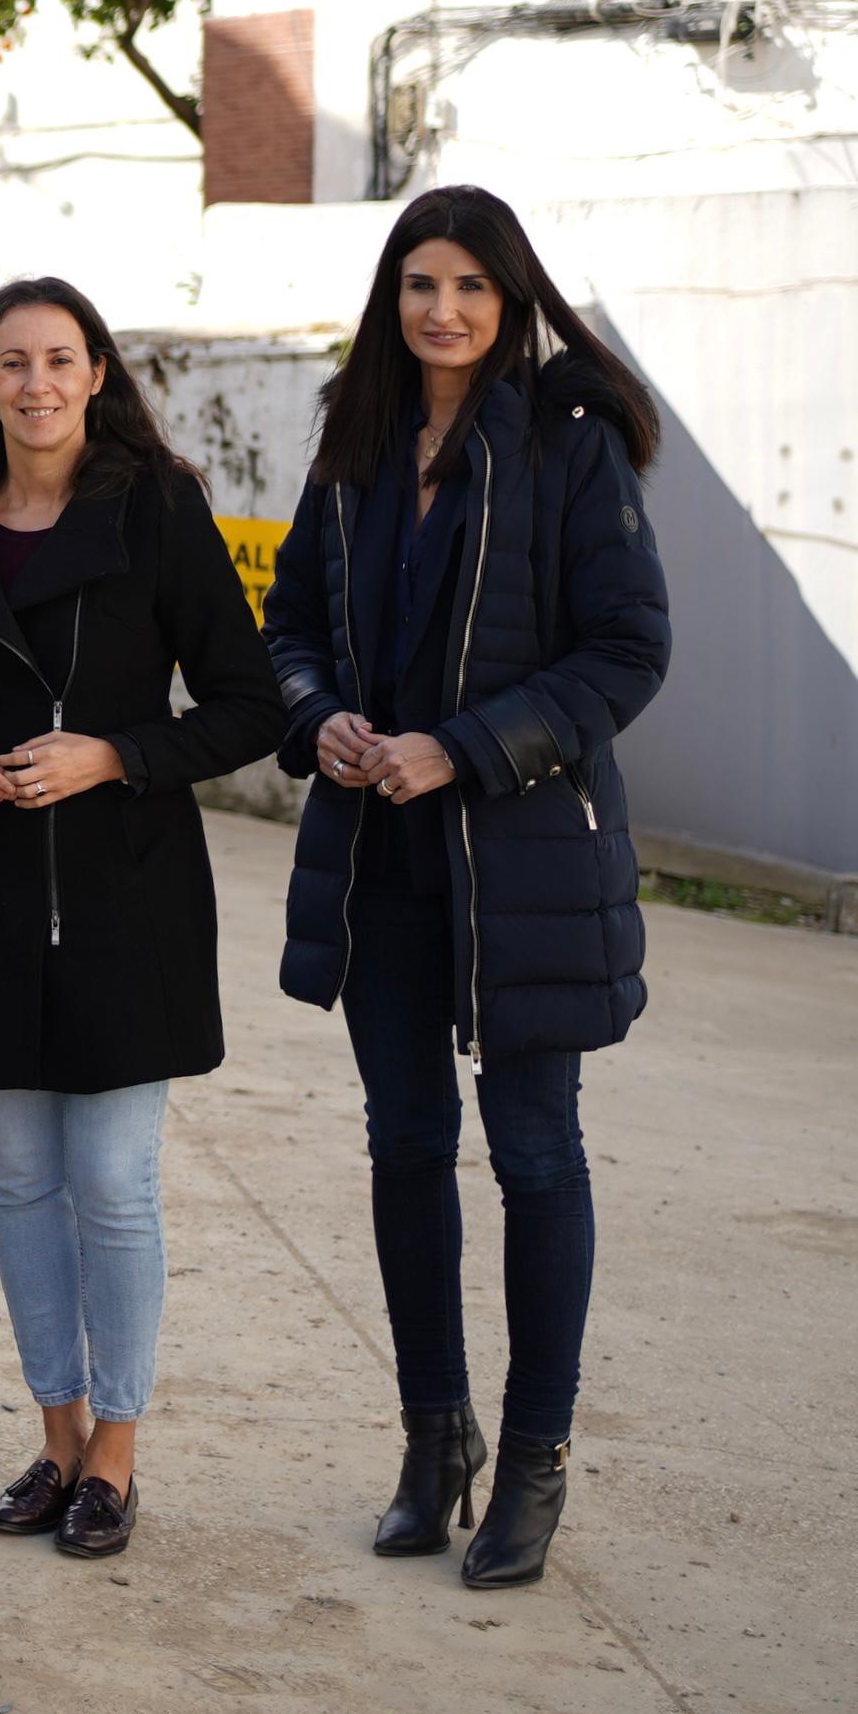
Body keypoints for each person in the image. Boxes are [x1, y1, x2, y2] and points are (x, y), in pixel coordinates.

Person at [260, 185, 668, 1590]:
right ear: (392, 298)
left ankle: (534, 1459)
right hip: (379, 858)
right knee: (404, 1144)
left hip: (523, 865)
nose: (443, 310)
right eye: (419, 284)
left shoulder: (569, 440)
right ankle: (434, 1440)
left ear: (512, 299)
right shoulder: (356, 440)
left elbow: (627, 651)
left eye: (470, 286)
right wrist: (319, 716)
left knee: (535, 1151)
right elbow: (289, 623)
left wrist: (464, 747)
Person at [0, 278, 282, 1560]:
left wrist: (114, 755)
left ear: (96, 373)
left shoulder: (158, 506)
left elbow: (247, 703)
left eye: (57, 359)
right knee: (20, 1183)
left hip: (125, 893)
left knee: (111, 1183)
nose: (34, 383)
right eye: (10, 362)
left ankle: (116, 1453)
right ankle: (53, 1440)